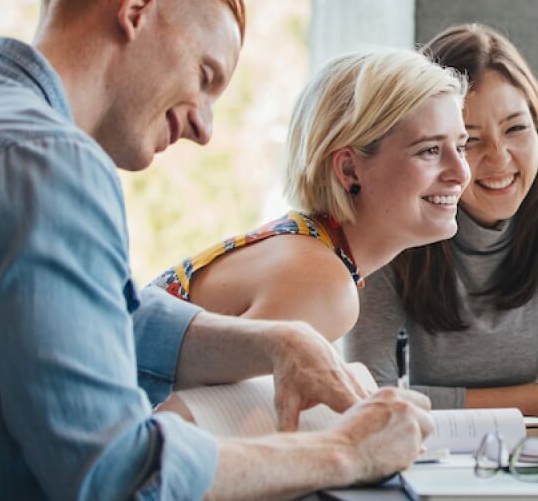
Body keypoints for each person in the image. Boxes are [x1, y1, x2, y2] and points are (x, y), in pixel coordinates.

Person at [0, 0, 435, 500]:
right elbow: (117, 474)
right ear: (137, 9)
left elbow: (95, 317)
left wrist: (276, 342)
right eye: (205, 77)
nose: (205, 129)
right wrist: (345, 450)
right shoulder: (50, 161)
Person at [345, 23, 538, 415]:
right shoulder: (391, 225)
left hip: (536, 456)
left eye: (516, 128)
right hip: (416, 454)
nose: (499, 158)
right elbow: (372, 399)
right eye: (470, 140)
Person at [153, 48, 471, 342]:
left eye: (461, 147)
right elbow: (186, 404)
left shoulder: (309, 248)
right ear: (348, 169)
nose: (461, 173)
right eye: (429, 150)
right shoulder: (322, 284)